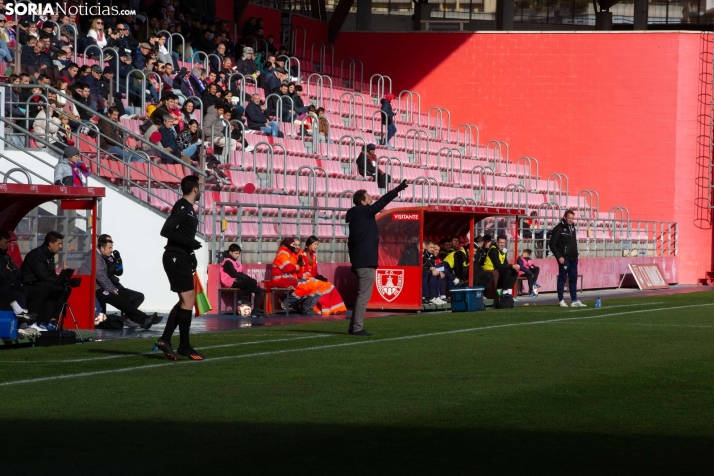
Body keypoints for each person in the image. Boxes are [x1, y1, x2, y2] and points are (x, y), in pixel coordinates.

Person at [346, 181, 409, 336]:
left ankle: (353, 326)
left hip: (360, 260)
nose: (371, 200)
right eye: (368, 198)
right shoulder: (364, 212)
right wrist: (396, 190)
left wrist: (354, 261)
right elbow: (382, 202)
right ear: (362, 201)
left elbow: (350, 242)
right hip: (366, 261)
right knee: (363, 296)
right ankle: (357, 328)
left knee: (361, 295)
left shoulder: (355, 217)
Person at [155, 175, 205, 361]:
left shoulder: (190, 209)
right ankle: (184, 345)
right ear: (194, 189)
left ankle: (165, 340)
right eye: (199, 187)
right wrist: (190, 243)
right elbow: (166, 231)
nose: (201, 190)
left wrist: (191, 254)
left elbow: (183, 234)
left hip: (182, 257)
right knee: (187, 300)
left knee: (186, 300)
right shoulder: (183, 207)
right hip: (175, 257)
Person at [95, 235, 161, 329]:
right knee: (120, 300)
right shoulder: (97, 258)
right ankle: (144, 319)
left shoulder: (107, 256)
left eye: (112, 246)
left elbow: (119, 272)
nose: (111, 249)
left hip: (107, 285)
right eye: (110, 247)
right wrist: (112, 289)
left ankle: (137, 319)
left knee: (137, 297)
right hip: (97, 288)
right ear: (102, 247)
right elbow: (102, 276)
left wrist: (118, 260)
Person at [20, 231, 71, 327]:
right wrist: (60, 281)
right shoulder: (36, 255)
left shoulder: (50, 256)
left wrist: (66, 281)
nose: (61, 246)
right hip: (29, 283)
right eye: (59, 244)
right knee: (51, 287)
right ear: (50, 244)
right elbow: (43, 276)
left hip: (41, 283)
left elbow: (51, 275)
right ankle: (43, 321)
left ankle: (53, 319)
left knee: (65, 289)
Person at [269, 237, 321, 315]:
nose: (295, 246)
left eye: (297, 245)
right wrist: (299, 266)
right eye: (293, 244)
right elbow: (288, 268)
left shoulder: (290, 253)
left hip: (289, 279)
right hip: (281, 280)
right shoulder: (283, 253)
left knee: (315, 285)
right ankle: (286, 301)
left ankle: (306, 307)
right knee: (305, 286)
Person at [298, 236, 347, 316]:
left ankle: (334, 308)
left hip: (311, 279)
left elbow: (315, 271)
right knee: (323, 286)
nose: (316, 246)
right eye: (315, 244)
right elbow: (302, 272)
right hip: (305, 280)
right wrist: (313, 278)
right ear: (309, 244)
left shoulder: (313, 256)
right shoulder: (303, 255)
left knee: (329, 285)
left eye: (317, 244)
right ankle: (323, 309)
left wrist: (318, 276)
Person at [549, 210, 586, 308]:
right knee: (562, 278)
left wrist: (576, 254)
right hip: (564, 258)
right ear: (565, 217)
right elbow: (552, 244)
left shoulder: (572, 227)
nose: (571, 220)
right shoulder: (559, 228)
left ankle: (574, 300)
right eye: (569, 218)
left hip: (573, 258)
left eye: (573, 218)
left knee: (573, 279)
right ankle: (561, 300)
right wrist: (559, 256)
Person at [220, 244, 265, 317]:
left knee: (259, 290)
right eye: (236, 253)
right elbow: (233, 274)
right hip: (230, 281)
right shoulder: (227, 262)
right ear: (230, 252)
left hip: (237, 281)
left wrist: (249, 279)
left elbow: (240, 274)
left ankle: (255, 310)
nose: (237, 255)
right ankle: (242, 298)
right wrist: (249, 279)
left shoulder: (237, 262)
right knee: (251, 282)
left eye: (238, 254)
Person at [422, 240, 446, 306]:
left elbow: (432, 266)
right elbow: (422, 266)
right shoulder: (423, 254)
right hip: (423, 272)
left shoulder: (431, 256)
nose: (432, 249)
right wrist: (430, 269)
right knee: (432, 275)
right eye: (431, 247)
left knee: (439, 273)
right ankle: (430, 297)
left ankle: (436, 296)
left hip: (427, 271)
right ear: (426, 247)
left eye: (433, 248)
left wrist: (436, 270)